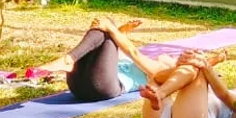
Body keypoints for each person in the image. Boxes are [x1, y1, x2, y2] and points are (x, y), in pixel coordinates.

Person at [28, 17, 156, 102]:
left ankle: (68, 60)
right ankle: (68, 60)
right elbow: (111, 56)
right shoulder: (150, 63)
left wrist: (112, 30)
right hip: (77, 85)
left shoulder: (163, 71)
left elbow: (134, 53)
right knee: (104, 29)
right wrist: (121, 32)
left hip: (102, 88)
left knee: (107, 27)